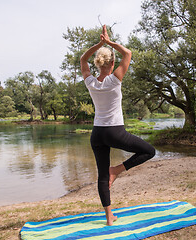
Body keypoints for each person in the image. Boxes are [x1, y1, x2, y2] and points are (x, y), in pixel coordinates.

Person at [80, 25, 156, 226]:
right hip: (114, 131)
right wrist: (109, 42)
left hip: (97, 134)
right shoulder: (115, 80)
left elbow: (82, 60)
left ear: (97, 64)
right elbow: (128, 53)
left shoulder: (91, 83)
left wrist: (99, 44)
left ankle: (109, 217)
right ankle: (118, 170)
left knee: (102, 175)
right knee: (149, 151)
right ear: (113, 63)